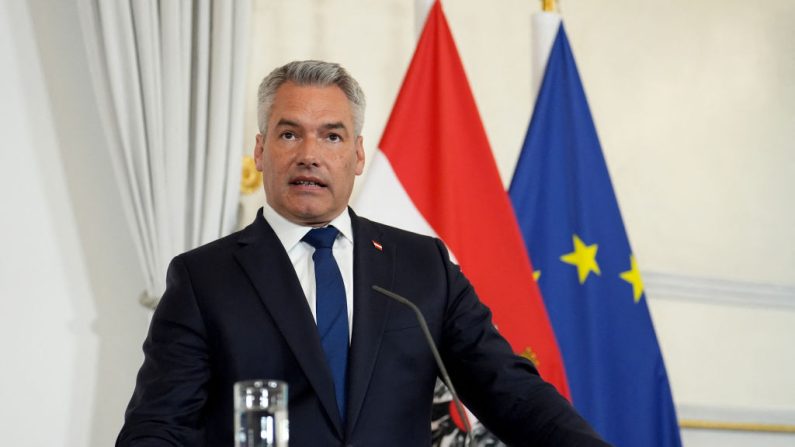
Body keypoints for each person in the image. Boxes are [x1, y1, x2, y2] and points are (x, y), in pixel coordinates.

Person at [117, 60, 610, 446]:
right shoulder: (205, 279)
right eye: (290, 134)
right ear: (261, 151)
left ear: (356, 155)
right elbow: (159, 427)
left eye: (331, 136)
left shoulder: (422, 268)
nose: (309, 153)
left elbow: (509, 391)